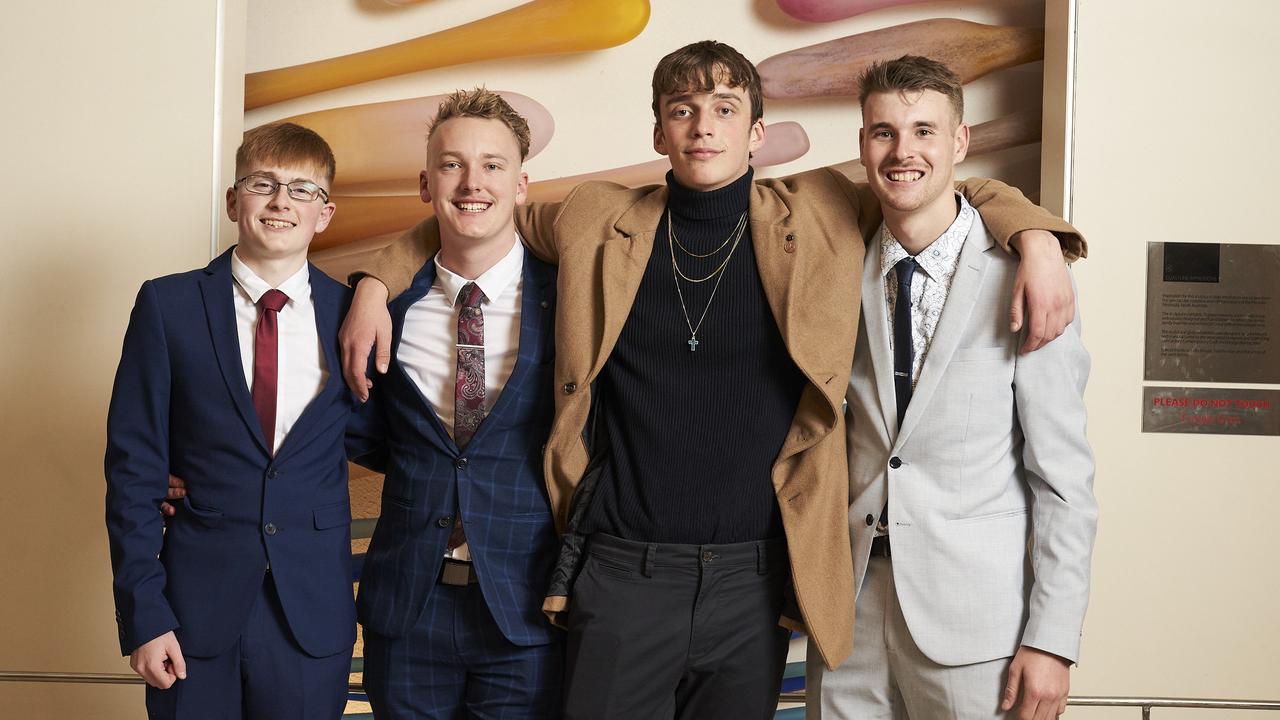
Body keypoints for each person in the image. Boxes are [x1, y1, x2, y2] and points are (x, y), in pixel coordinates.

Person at [340, 41, 1085, 719]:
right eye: (683, 111)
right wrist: (376, 282)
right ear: (659, 132)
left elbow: (938, 190)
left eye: (725, 109)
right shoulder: (598, 218)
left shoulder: (820, 210)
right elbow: (474, 215)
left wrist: (1036, 239)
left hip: (753, 580)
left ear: (756, 132)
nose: (704, 127)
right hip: (622, 570)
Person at [808, 56, 1097, 720]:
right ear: (861, 144)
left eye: (924, 131)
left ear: (960, 142)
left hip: (978, 625)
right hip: (847, 615)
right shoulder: (833, 266)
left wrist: (1053, 641)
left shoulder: (1024, 279)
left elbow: (1063, 478)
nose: (902, 151)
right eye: (883, 132)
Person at [105, 122, 374, 719]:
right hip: (190, 617)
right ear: (233, 201)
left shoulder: (353, 315)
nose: (281, 202)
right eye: (263, 184)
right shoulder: (167, 306)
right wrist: (143, 613)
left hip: (312, 616)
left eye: (302, 190)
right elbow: (133, 470)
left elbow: (381, 440)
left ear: (325, 214)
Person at [355, 88, 563, 718]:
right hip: (406, 608)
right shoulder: (382, 308)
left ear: (522, 184)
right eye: (452, 164)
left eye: (493, 165)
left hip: (526, 608)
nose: (472, 182)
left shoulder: (574, 301)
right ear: (426, 183)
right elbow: (351, 431)